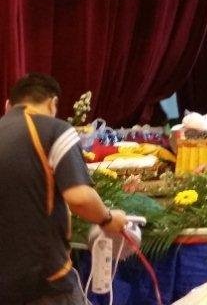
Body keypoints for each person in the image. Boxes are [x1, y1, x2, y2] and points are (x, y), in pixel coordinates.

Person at [0, 73, 128, 305]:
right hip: (45, 282)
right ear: (53, 103)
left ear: (8, 105)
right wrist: (108, 219)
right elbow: (79, 197)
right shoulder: (55, 129)